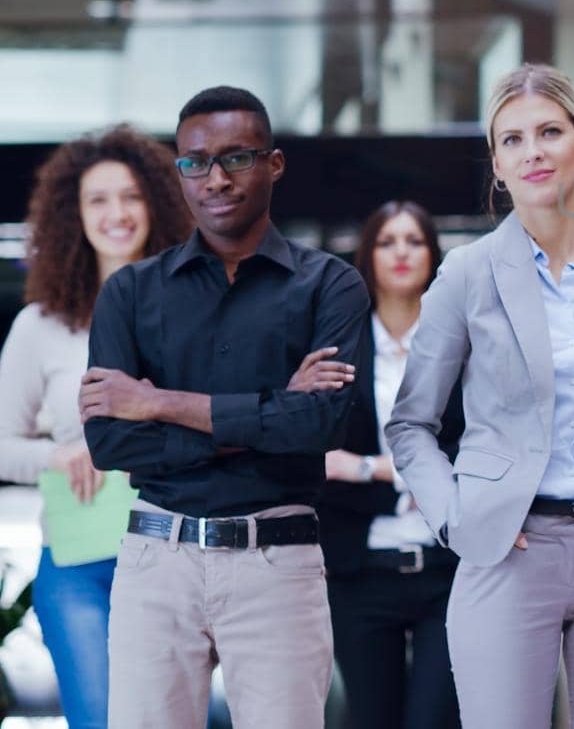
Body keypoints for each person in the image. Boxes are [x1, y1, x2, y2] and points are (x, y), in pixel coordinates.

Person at [386, 63, 574, 729]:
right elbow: (411, 424)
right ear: (496, 163)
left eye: (549, 131)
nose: (534, 151)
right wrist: (457, 518)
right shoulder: (465, 274)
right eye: (513, 139)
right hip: (507, 545)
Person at [79, 86, 368, 729]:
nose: (215, 178)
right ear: (179, 169)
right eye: (195, 162)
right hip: (158, 561)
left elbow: (322, 423)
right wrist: (270, 414)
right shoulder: (130, 293)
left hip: (279, 562)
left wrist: (158, 404)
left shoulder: (330, 285)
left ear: (274, 163)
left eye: (237, 158)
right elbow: (111, 443)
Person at [0, 126, 191, 729]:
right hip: (79, 563)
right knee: (101, 720)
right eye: (98, 199)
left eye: (130, 196)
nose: (117, 213)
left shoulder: (195, 311)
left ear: (156, 202)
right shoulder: (40, 326)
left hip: (177, 553)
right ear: (73, 215)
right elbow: (0, 448)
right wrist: (61, 456)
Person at [319, 200, 462, 729]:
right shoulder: (336, 346)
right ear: (367, 255)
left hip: (448, 568)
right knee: (370, 718)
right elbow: (315, 456)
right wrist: (393, 474)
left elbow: (482, 448)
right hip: (361, 571)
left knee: (435, 719)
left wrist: (364, 466)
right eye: (387, 241)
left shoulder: (461, 340)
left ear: (433, 254)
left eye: (414, 240)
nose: (401, 252)